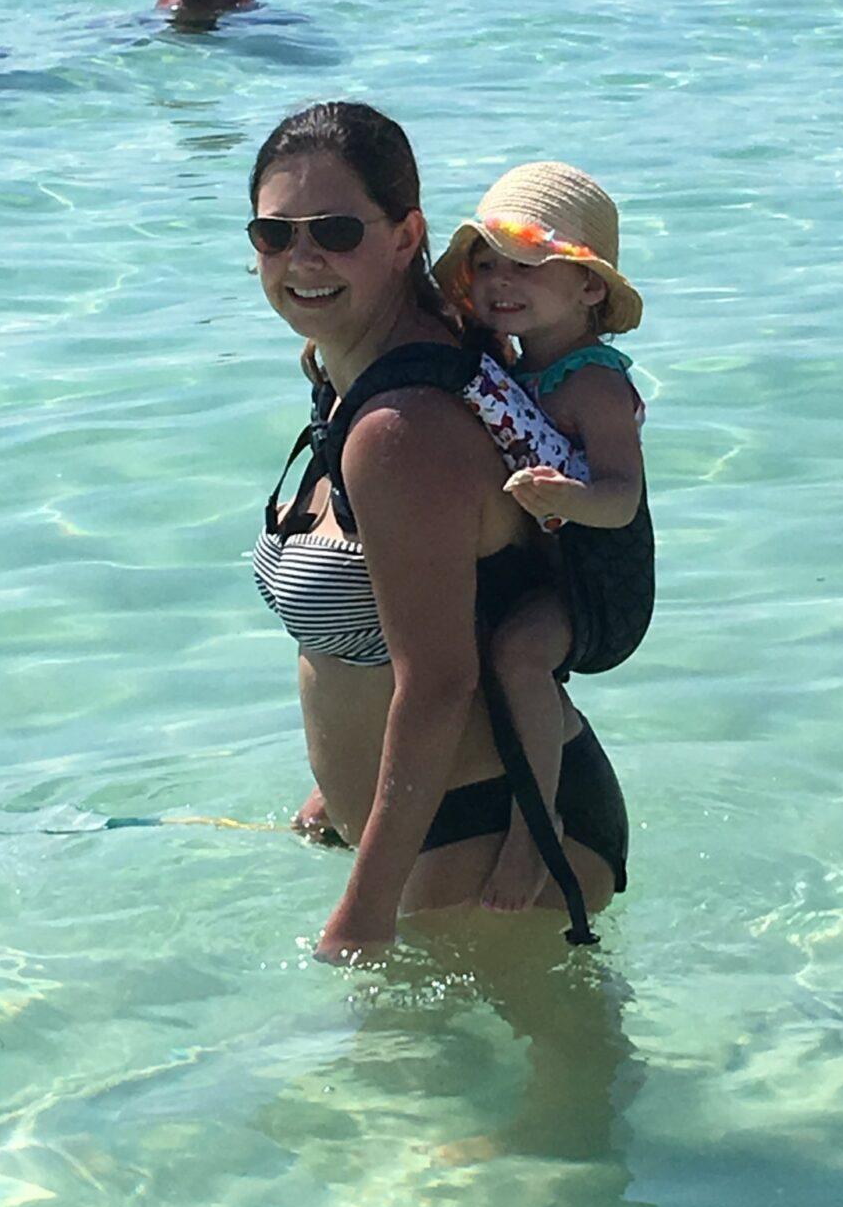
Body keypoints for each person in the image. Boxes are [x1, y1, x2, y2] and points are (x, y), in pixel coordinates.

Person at [247, 102, 629, 964]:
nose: (302, 258)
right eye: (275, 233)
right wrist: (332, 786)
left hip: (497, 840)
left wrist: (361, 917)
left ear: (403, 234)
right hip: (441, 831)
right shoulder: (355, 378)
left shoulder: (402, 430)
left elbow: (440, 683)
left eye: (336, 230)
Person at [430, 164, 646, 912]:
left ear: (590, 287)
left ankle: (535, 832)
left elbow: (623, 502)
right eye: (483, 263)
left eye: (525, 264)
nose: (497, 280)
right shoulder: (513, 364)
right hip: (545, 565)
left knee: (520, 653)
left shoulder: (595, 383)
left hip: (600, 584)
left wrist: (571, 498)